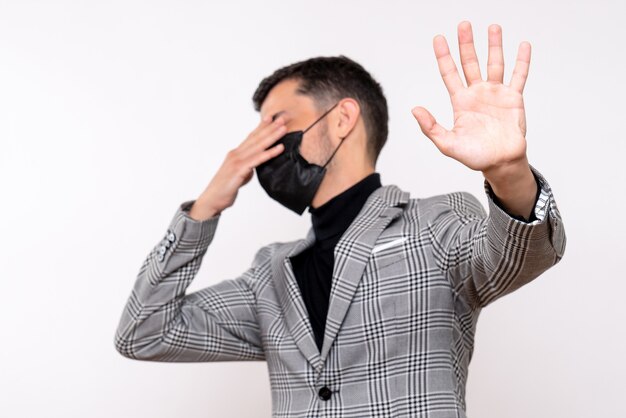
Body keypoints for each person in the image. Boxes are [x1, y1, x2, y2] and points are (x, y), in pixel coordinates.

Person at [114, 21, 566, 417]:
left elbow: (519, 256)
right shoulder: (268, 276)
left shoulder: (435, 224)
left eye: (276, 122)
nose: (259, 145)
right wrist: (204, 208)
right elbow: (143, 332)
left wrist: (508, 171)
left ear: (342, 118)